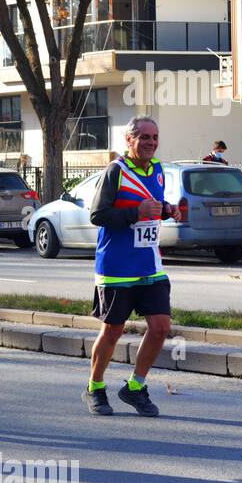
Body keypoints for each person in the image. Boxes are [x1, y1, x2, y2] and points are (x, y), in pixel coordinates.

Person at [84, 115, 176, 417]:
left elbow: (153, 206)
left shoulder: (158, 169)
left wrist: (167, 210)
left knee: (161, 328)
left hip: (150, 264)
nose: (150, 142)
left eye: (154, 137)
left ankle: (135, 388)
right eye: (143, 137)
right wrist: (135, 213)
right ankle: (95, 388)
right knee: (113, 331)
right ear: (129, 140)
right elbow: (97, 215)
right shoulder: (116, 172)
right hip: (116, 265)